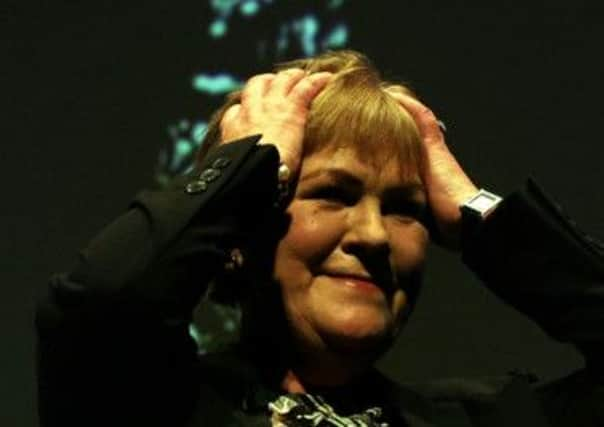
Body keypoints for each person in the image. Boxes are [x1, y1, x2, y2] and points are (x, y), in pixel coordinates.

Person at [35, 50, 604, 427]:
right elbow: (99, 305)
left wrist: (479, 210)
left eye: (406, 208)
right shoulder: (149, 405)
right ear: (238, 233)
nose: (374, 235)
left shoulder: (480, 418)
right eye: (333, 194)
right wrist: (247, 167)